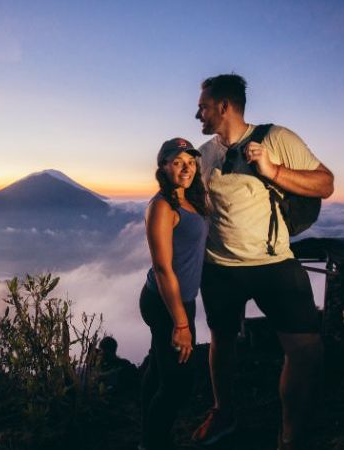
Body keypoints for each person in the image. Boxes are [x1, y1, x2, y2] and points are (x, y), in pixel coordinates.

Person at [191, 73, 334, 450]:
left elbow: (325, 184)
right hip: (219, 268)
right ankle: (224, 413)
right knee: (222, 340)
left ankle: (290, 436)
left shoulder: (275, 138)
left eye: (203, 106)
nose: (197, 114)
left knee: (305, 349)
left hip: (274, 265)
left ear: (224, 106)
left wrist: (274, 171)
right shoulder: (205, 155)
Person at [140, 137, 209, 450]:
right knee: (178, 384)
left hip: (181, 301)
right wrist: (181, 324)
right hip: (167, 304)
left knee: (160, 368)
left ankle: (145, 421)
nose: (187, 168)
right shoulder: (162, 207)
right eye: (179, 162)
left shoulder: (188, 200)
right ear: (164, 166)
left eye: (191, 162)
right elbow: (163, 267)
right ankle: (153, 443)